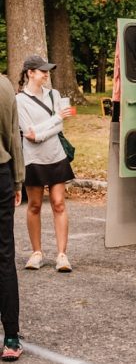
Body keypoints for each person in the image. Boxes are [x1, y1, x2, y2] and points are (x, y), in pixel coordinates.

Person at [15, 55, 75, 273]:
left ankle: (62, 255)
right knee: (35, 205)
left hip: (56, 155)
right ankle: (36, 252)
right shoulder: (19, 100)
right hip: (33, 158)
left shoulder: (54, 95)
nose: (46, 74)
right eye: (42, 71)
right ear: (30, 73)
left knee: (59, 203)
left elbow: (57, 128)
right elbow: (28, 133)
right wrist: (55, 119)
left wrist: (42, 132)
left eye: (47, 71)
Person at [0, 73, 25, 361]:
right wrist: (18, 181)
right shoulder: (5, 86)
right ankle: (11, 335)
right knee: (5, 256)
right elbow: (13, 137)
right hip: (1, 174)